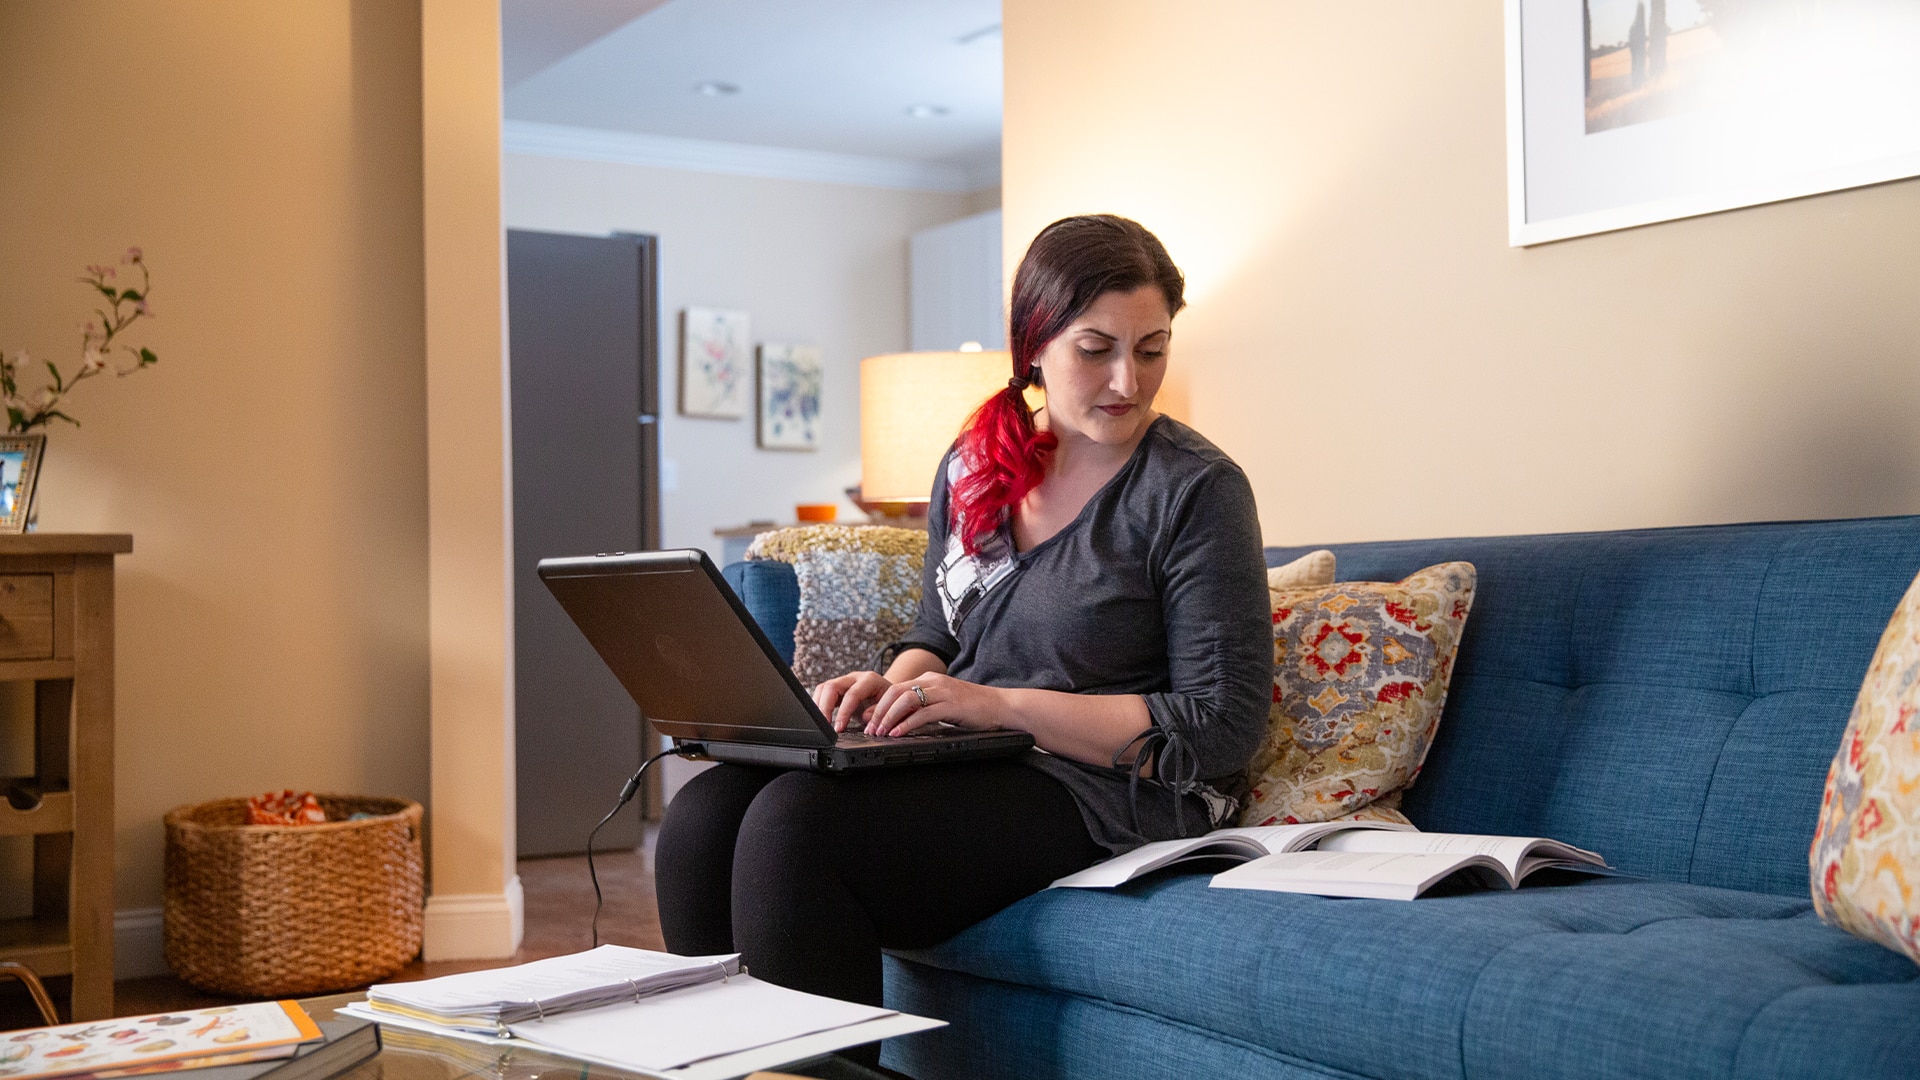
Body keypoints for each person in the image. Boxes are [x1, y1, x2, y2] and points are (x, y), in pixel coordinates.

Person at [653, 214, 1272, 1025]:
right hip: (971, 761)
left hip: (1109, 792)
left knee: (795, 826)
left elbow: (1219, 729)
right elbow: (938, 635)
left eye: (1151, 349)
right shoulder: (978, 464)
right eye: (1097, 349)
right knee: (702, 816)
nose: (1128, 379)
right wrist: (891, 689)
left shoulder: (1195, 492)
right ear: (1035, 344)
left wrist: (1001, 706)